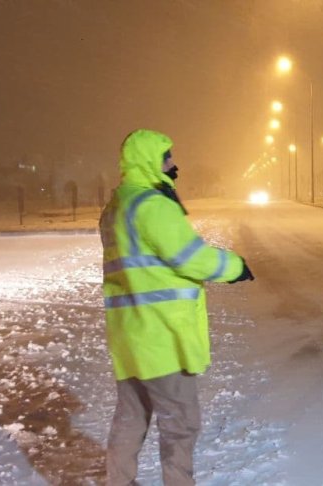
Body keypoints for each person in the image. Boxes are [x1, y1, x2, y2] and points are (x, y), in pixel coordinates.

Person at [99, 129, 254, 485]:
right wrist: (235, 267)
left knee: (131, 418)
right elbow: (189, 257)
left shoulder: (116, 208)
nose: (173, 164)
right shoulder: (151, 205)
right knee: (181, 425)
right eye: (167, 157)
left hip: (130, 336)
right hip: (162, 338)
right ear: (151, 161)